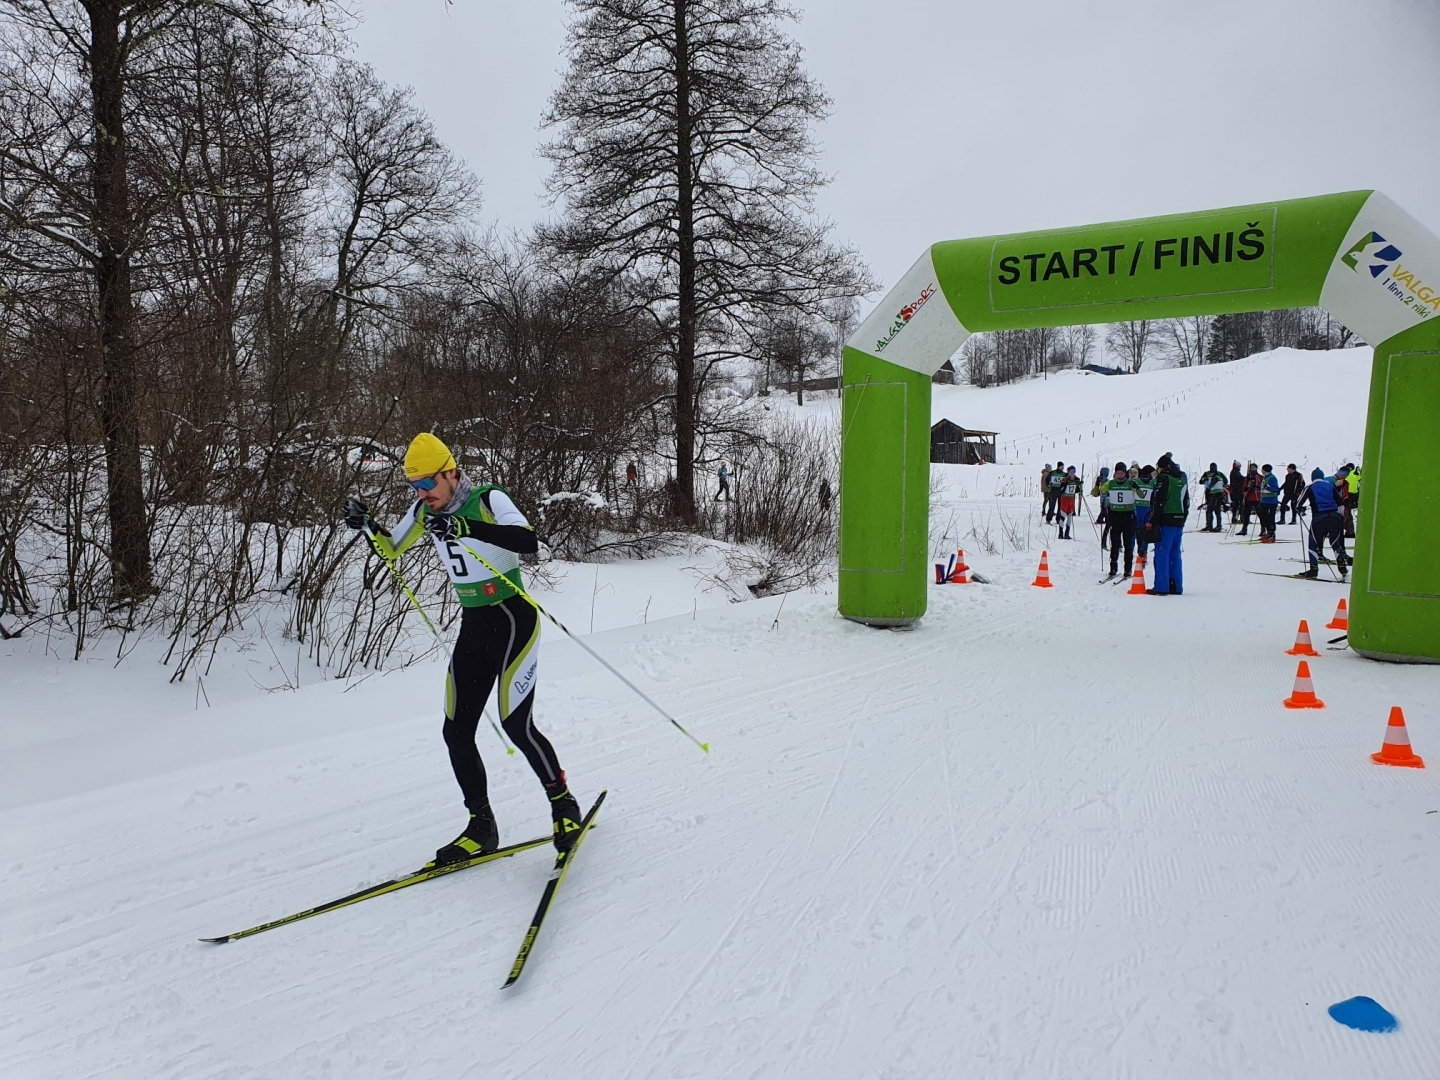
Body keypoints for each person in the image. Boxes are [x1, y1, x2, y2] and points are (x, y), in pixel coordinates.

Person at [343, 433, 583, 863]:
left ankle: (564, 807)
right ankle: (481, 826)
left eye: (427, 483)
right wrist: (367, 527)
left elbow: (528, 541)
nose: (421, 494)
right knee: (456, 731)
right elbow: (391, 550)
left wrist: (464, 526)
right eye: (413, 486)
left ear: (451, 473)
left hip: (513, 619)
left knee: (517, 725)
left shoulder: (489, 499)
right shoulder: (424, 509)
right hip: (474, 625)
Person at [1148, 452, 1189, 595]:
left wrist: (1153, 521)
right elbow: (1186, 501)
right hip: (1179, 520)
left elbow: (1159, 502)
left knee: (1162, 553)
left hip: (1166, 519)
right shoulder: (1182, 478)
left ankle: (1161, 586)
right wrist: (1183, 518)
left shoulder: (1164, 478)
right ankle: (1176, 586)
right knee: (1175, 554)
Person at [1300, 467, 1349, 578]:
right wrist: (1341, 515)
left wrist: (1299, 509)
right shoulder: (1330, 486)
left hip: (1319, 517)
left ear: (1313, 478)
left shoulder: (1310, 487)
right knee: (1335, 543)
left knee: (1313, 543)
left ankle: (1313, 570)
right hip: (1335, 517)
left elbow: (1299, 503)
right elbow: (1340, 502)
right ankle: (1342, 568)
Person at [1102, 462, 1137, 579]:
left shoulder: (1130, 483)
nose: (1119, 475)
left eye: (1121, 473)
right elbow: (1100, 491)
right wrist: (1100, 485)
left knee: (1128, 545)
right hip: (1115, 516)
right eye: (1117, 473)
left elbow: (1141, 495)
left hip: (1128, 517)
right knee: (1115, 544)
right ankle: (1113, 568)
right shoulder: (1111, 483)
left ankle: (1128, 570)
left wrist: (1136, 488)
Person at [1133, 464, 1156, 561]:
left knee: (1143, 532)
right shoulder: (1151, 482)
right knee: (1139, 532)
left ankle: (1142, 553)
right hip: (1140, 509)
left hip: (1144, 510)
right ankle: (1140, 552)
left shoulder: (1152, 482)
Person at [1199, 462, 1227, 532]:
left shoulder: (1219, 474)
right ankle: (1209, 525)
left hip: (1216, 492)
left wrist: (1221, 484)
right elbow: (1200, 481)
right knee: (1209, 509)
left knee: (1216, 509)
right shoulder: (1207, 473)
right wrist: (1204, 480)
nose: (1212, 469)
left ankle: (1218, 526)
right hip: (1209, 492)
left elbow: (1226, 481)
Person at [1057, 465, 1081, 540]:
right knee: (1063, 516)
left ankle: (1067, 533)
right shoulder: (1065, 479)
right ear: (1068, 472)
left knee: (1070, 516)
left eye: (1074, 471)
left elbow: (1077, 490)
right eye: (1071, 472)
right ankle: (1061, 533)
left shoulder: (1077, 479)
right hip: (1065, 499)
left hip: (1072, 499)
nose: (1072, 473)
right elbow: (1060, 490)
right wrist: (1065, 484)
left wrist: (1079, 485)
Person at [1258, 464, 1280, 542]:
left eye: (1262, 470)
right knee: (1264, 517)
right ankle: (1268, 532)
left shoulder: (1272, 478)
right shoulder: (1266, 477)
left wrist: (1268, 487)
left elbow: (1276, 489)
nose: (1261, 471)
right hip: (1264, 500)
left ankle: (1272, 533)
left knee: (1270, 518)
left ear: (1265, 470)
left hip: (1271, 501)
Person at [1238, 463, 1261, 535]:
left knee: (1260, 514)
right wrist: (1245, 489)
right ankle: (1244, 529)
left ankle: (1263, 529)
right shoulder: (1247, 477)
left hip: (1256, 498)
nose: (1252, 469)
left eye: (1254, 467)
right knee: (1246, 514)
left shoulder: (1259, 477)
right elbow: (1244, 485)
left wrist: (1255, 485)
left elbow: (1261, 485)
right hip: (1248, 497)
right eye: (1251, 467)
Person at [1228, 460, 1244, 526]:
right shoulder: (1236, 472)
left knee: (1236, 504)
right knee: (1240, 504)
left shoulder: (1233, 472)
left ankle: (1235, 517)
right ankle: (1241, 518)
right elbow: (1241, 479)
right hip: (1237, 491)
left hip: (1235, 490)